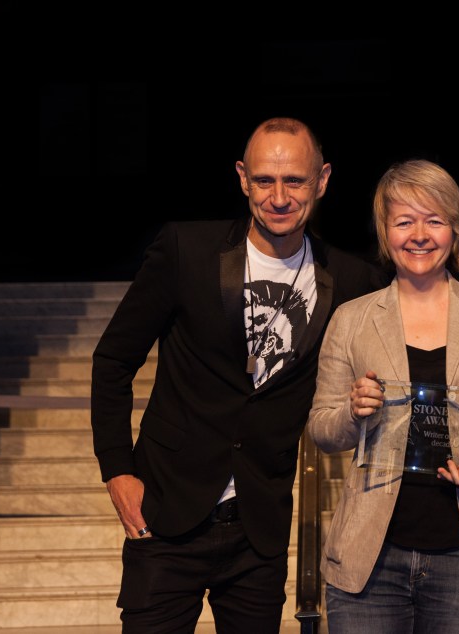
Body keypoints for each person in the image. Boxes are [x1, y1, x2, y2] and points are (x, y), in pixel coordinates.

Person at [91, 117, 386, 633]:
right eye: (265, 180)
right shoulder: (187, 250)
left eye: (294, 180)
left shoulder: (350, 278)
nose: (279, 196)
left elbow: (416, 292)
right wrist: (117, 470)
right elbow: (114, 359)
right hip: (165, 516)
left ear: (322, 180)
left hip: (259, 529)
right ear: (242, 178)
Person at [307, 160, 459, 634]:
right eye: (404, 221)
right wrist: (351, 410)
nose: (420, 235)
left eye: (435, 220)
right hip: (371, 559)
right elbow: (322, 428)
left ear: (455, 229)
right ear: (386, 233)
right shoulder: (352, 319)